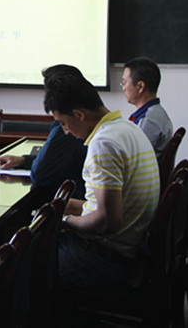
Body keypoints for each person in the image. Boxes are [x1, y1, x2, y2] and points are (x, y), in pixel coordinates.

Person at [44, 72, 159, 292]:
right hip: (131, 249)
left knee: (27, 267)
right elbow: (113, 206)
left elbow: (108, 221)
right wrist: (77, 208)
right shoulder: (128, 128)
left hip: (107, 260)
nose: (66, 132)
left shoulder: (103, 144)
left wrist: (67, 222)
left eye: (63, 123)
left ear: (79, 114)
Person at [0, 64, 87, 199]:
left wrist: (31, 162)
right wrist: (24, 160)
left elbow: (40, 173)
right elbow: (58, 160)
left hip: (70, 202)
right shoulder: (84, 118)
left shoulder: (69, 125)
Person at [122, 56, 173, 160]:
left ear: (140, 86)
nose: (123, 88)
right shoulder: (154, 112)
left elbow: (133, 156)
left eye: (125, 83)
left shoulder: (149, 119)